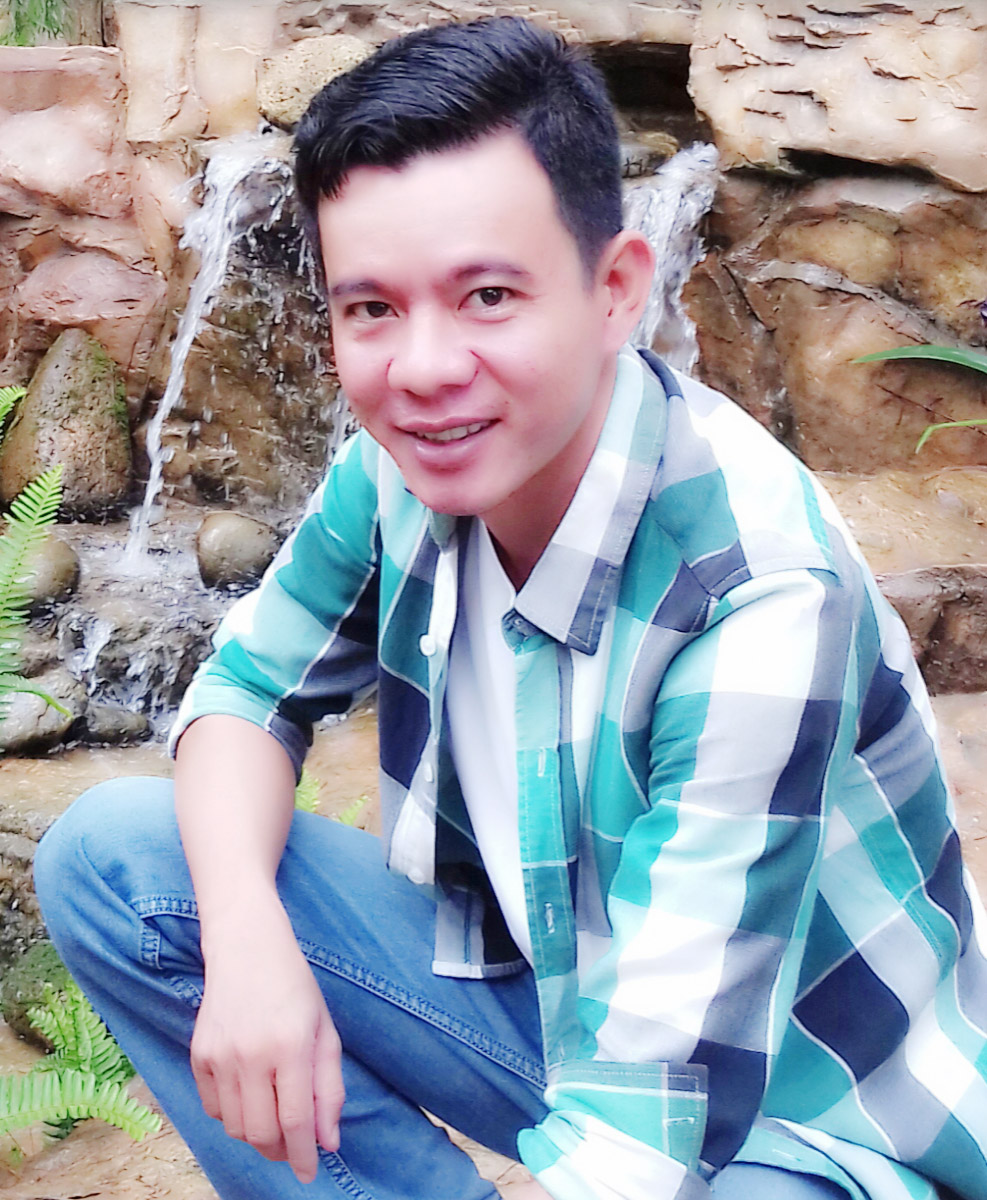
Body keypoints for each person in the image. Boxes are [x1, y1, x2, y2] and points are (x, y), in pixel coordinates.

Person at [33, 16, 987, 1200]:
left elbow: (644, 1134)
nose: (425, 368)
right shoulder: (405, 467)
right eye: (372, 309)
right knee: (117, 858)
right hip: (558, 1006)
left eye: (487, 295)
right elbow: (243, 692)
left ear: (617, 290)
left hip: (806, 1122)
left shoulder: (756, 600)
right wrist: (245, 947)